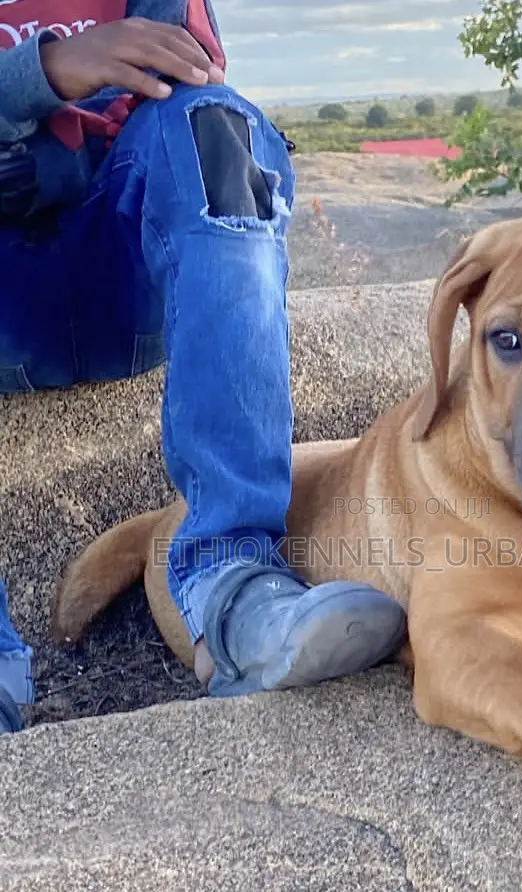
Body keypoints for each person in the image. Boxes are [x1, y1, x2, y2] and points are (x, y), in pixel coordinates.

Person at [0, 1, 406, 734]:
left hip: (122, 272)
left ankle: (231, 589)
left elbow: (185, 83)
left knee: (215, 125)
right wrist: (46, 71)